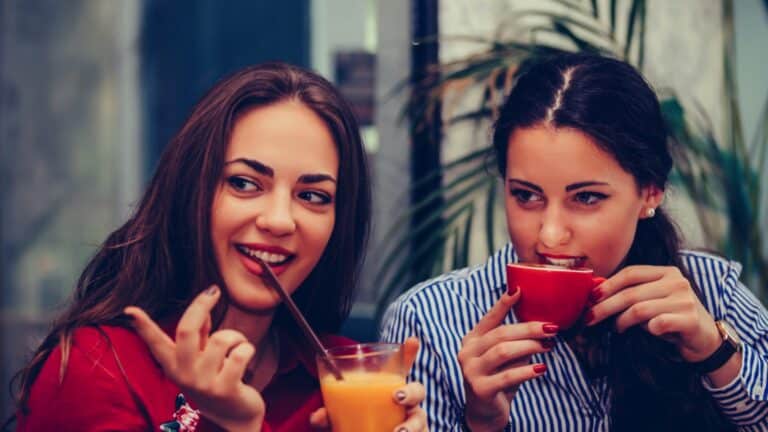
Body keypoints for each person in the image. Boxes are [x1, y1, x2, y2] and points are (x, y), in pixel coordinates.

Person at [12, 63, 428, 432]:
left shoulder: (345, 378)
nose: (280, 220)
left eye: (313, 196)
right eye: (244, 184)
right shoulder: (97, 368)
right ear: (192, 190)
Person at [380, 53, 768, 431]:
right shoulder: (429, 322)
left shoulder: (715, 294)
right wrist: (481, 423)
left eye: (585, 198)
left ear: (650, 193)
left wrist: (714, 353)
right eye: (526, 195)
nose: (549, 235)